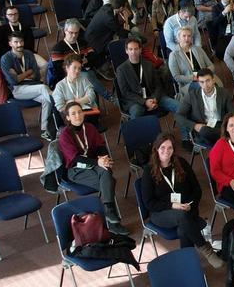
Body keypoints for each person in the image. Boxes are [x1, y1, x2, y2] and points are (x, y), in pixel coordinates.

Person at [55, 101, 127, 233]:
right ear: (68, 118)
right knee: (109, 180)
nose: (77, 115)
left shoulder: (89, 127)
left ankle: (110, 215)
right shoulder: (65, 134)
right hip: (76, 170)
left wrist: (103, 158)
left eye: (79, 112)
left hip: (94, 164)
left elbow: (101, 146)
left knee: (106, 174)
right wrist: (98, 163)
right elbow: (75, 158)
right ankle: (112, 218)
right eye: (73, 113)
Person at [115, 38, 178, 119]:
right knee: (136, 113)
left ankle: (187, 132)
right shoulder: (121, 69)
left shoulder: (148, 65)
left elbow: (158, 85)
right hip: (135, 101)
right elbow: (126, 93)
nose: (133, 52)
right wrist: (144, 102)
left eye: (136, 49)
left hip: (153, 97)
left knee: (179, 107)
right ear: (126, 51)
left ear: (140, 50)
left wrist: (154, 98)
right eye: (130, 49)